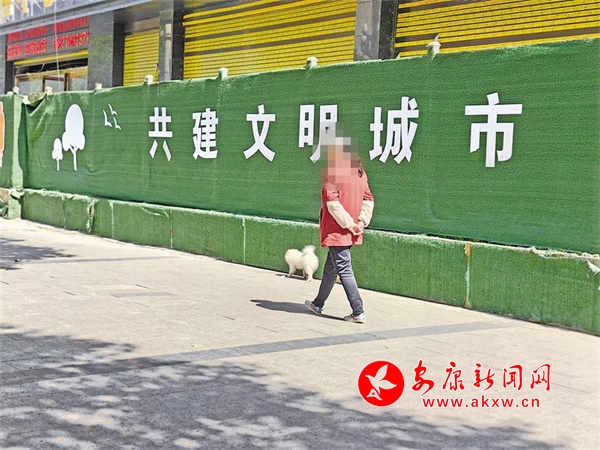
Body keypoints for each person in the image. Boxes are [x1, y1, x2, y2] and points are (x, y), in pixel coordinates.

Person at [305, 135, 374, 323]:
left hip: (338, 231)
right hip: (351, 231)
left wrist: (350, 223)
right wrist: (360, 222)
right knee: (331, 268)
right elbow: (368, 199)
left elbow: (332, 203)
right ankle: (318, 303)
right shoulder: (359, 173)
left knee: (344, 269)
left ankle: (358, 311)